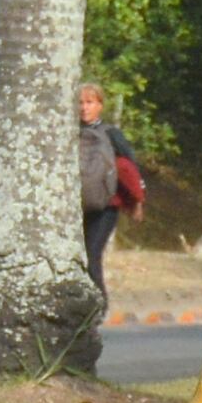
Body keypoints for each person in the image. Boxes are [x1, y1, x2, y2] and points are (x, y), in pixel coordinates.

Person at [75, 82, 140, 299]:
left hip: (107, 207)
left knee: (92, 255)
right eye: (80, 103)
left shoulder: (112, 134)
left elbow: (129, 169)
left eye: (89, 102)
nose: (84, 108)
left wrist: (136, 202)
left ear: (100, 105)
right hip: (77, 207)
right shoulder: (69, 132)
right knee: (80, 257)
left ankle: (99, 303)